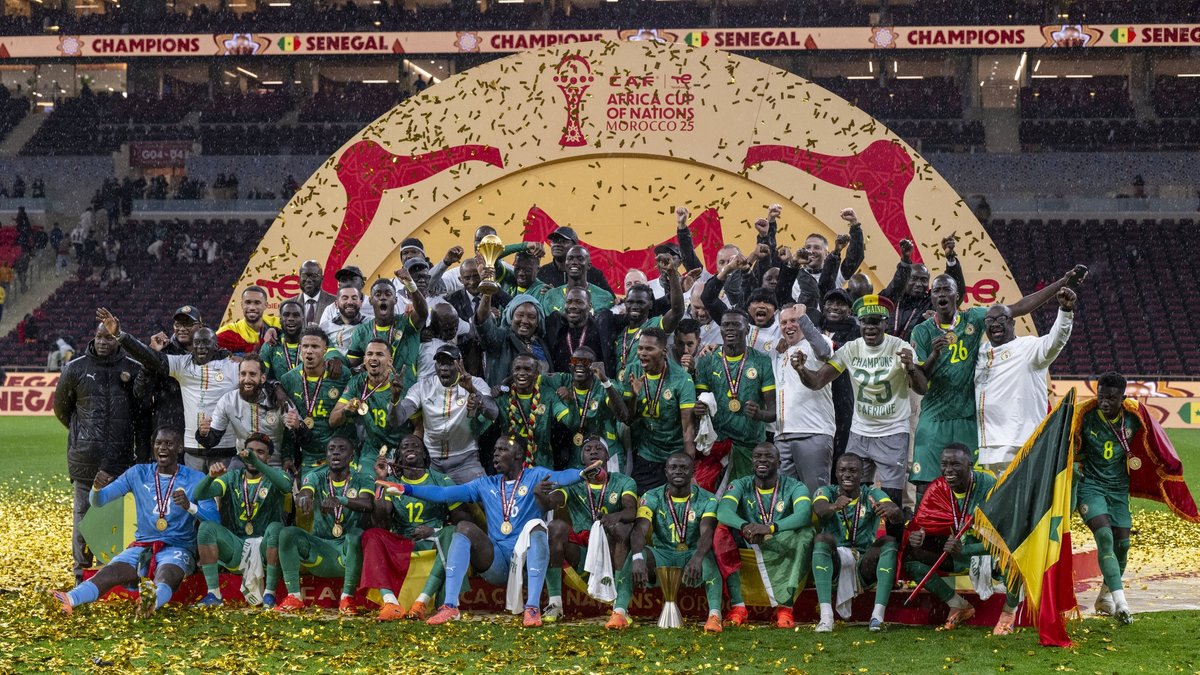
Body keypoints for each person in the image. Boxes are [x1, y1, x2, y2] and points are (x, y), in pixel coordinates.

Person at [909, 266, 1085, 501]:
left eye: (947, 289)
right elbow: (920, 384)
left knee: (976, 491)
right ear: (931, 296)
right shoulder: (931, 334)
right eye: (937, 290)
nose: (994, 323)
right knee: (932, 487)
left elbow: (1020, 308)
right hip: (948, 425)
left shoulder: (979, 321)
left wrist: (1061, 286)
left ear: (957, 295)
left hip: (975, 424)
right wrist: (931, 356)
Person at [388, 436, 604, 627]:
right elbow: (444, 493)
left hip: (527, 563)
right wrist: (406, 489)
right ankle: (450, 606)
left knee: (537, 527)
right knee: (463, 528)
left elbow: (562, 476)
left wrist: (581, 474)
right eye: (494, 451)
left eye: (502, 449)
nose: (495, 454)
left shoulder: (535, 476)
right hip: (497, 563)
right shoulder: (485, 484)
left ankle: (532, 608)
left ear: (518, 454)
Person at [52, 428, 219, 616]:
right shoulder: (138, 473)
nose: (162, 448)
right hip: (142, 547)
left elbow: (214, 519)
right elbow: (99, 501)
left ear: (180, 448)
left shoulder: (196, 479)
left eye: (169, 444)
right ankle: (70, 599)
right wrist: (96, 489)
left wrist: (190, 506)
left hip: (178, 547)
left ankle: (151, 602)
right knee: (110, 572)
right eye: (158, 443)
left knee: (167, 575)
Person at [794, 295, 926, 512]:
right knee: (852, 498)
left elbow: (922, 388)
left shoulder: (900, 346)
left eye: (876, 321)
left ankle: (893, 535)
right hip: (859, 432)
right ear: (860, 323)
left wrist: (911, 368)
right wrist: (801, 369)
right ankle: (856, 534)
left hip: (893, 432)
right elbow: (817, 381)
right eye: (865, 322)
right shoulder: (850, 349)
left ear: (885, 323)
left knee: (891, 502)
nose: (870, 327)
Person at [53, 320, 143, 584]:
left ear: (117, 339)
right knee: (83, 517)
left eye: (109, 338)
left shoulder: (132, 368)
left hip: (120, 459)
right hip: (86, 458)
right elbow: (61, 408)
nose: (103, 342)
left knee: (116, 517)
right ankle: (81, 573)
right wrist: (83, 433)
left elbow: (140, 414)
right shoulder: (75, 368)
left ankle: (111, 571)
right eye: (99, 337)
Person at [106, 308, 242, 473]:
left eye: (188, 324)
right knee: (176, 486)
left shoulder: (225, 361)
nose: (182, 328)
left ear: (201, 327)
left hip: (211, 441)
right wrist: (146, 355)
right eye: (178, 324)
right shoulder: (171, 356)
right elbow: (140, 391)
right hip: (170, 433)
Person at [904, 443, 1017, 633]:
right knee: (911, 558)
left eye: (955, 464)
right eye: (944, 464)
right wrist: (918, 536)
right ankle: (958, 605)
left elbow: (1006, 539)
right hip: (957, 554)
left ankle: (1009, 612)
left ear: (970, 465)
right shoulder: (938, 488)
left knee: (1014, 562)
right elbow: (923, 523)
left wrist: (966, 549)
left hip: (989, 555)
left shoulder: (989, 486)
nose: (948, 470)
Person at [362, 435, 470, 621]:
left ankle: (421, 602)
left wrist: (435, 531)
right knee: (371, 535)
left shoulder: (441, 480)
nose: (410, 449)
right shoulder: (392, 482)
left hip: (434, 541)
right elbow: (381, 517)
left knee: (453, 534)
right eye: (405, 447)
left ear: (425, 454)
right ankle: (390, 603)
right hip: (403, 541)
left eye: (416, 446)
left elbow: (462, 519)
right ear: (398, 457)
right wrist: (381, 479)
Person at [975, 287, 1076, 476]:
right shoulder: (980, 352)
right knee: (999, 494)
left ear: (1012, 322)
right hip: (989, 447)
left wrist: (1065, 312)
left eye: (1001, 319)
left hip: (1021, 442)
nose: (995, 324)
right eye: (989, 320)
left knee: (1024, 493)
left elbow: (1056, 341)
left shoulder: (1028, 347)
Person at [717, 443, 814, 628]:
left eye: (769, 456)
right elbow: (723, 511)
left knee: (806, 534)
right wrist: (745, 526)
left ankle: (785, 608)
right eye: (757, 456)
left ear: (779, 463)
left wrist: (770, 528)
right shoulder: (740, 484)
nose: (762, 460)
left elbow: (804, 515)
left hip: (781, 540)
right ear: (752, 461)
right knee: (721, 530)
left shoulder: (794, 486)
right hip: (749, 539)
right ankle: (738, 607)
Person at [542, 437, 638, 625]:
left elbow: (631, 511)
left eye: (598, 448)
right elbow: (552, 501)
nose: (593, 451)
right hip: (581, 551)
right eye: (587, 449)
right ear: (582, 458)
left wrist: (614, 517)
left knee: (622, 528)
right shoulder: (574, 483)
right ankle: (555, 604)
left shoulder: (624, 481)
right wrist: (541, 494)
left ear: (608, 455)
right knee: (554, 527)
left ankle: (620, 608)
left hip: (610, 547)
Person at [274, 437, 375, 614]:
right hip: (320, 551)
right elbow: (306, 492)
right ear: (326, 455)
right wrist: (303, 498)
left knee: (356, 535)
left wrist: (341, 500)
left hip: (346, 553)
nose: (335, 452)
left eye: (342, 449)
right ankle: (294, 596)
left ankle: (347, 599)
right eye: (331, 449)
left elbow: (368, 504)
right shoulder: (316, 476)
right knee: (287, 533)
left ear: (352, 457)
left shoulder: (363, 479)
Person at [192, 435, 291, 607]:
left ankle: (269, 594)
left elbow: (286, 487)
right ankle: (214, 594)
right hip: (237, 548)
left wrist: (256, 462)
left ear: (268, 457)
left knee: (276, 528)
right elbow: (199, 494)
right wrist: (210, 476)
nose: (254, 455)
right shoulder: (232, 477)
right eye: (250, 451)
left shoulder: (277, 475)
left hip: (265, 549)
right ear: (243, 453)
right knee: (206, 528)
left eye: (260, 452)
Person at [629, 452, 724, 633]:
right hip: (662, 554)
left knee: (708, 559)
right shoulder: (652, 496)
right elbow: (640, 529)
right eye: (673, 467)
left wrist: (697, 557)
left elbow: (707, 533)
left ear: (693, 471)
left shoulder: (708, 499)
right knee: (634, 557)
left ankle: (714, 616)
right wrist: (637, 557)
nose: (678, 471)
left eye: (683, 468)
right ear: (666, 471)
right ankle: (619, 611)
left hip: (691, 553)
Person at [811, 454, 902, 632]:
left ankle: (877, 617)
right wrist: (834, 506)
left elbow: (896, 513)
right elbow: (820, 509)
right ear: (836, 473)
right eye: (842, 470)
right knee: (821, 539)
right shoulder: (827, 491)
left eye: (853, 471)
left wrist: (892, 510)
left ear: (862, 474)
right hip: (835, 563)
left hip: (863, 565)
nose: (847, 474)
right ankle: (826, 617)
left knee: (889, 541)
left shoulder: (871, 493)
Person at [1075, 372, 1137, 625]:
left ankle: (1104, 596)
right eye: (1101, 396)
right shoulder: (1084, 417)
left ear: (1123, 398)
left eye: (1111, 398)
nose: (1105, 402)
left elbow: (1153, 443)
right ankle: (1122, 604)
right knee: (1104, 536)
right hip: (1091, 486)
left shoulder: (1134, 419)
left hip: (1119, 489)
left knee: (1123, 545)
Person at [692, 309, 776, 487]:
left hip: (749, 446)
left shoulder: (762, 362)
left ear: (747, 329)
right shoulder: (707, 360)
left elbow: (773, 413)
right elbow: (699, 402)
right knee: (707, 496)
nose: (730, 329)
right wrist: (698, 409)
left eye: (736, 325)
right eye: (725, 325)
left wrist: (760, 414)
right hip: (716, 445)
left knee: (744, 498)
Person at [390, 344, 497, 483]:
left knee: (482, 491)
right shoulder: (423, 386)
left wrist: (473, 391)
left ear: (460, 363)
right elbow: (396, 420)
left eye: (449, 363)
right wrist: (395, 399)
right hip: (431, 462)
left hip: (466, 461)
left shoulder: (475, 383)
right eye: (440, 363)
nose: (444, 368)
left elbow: (493, 413)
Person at [619, 327, 697, 493]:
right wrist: (633, 396)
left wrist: (690, 468)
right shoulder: (633, 371)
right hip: (646, 453)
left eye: (649, 349)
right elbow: (628, 419)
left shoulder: (682, 379)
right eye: (640, 348)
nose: (643, 353)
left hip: (674, 455)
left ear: (664, 351)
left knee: (675, 503)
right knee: (640, 502)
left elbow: (688, 428)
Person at [774, 303, 836, 492]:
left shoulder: (817, 341)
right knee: (784, 498)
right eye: (784, 322)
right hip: (782, 435)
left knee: (816, 494)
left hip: (813, 431)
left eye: (794, 320)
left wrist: (803, 318)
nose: (789, 326)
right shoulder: (779, 352)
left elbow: (825, 352)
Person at [279, 326, 351, 475]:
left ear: (325, 350)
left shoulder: (342, 375)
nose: (309, 351)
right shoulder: (289, 379)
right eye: (305, 346)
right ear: (300, 349)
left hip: (340, 453)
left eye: (315, 346)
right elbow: (288, 422)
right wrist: (287, 456)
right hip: (309, 456)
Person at [197, 353, 286, 465]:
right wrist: (203, 434)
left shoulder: (278, 399)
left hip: (274, 464)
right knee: (223, 476)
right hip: (243, 462)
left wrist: (298, 427)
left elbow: (296, 434)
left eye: (252, 374)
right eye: (243, 374)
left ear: (263, 378)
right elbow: (211, 441)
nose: (247, 379)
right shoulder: (228, 400)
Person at [331, 338, 405, 470]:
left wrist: (409, 450)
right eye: (369, 354)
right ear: (364, 360)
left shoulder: (400, 384)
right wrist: (345, 410)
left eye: (379, 354)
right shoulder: (356, 382)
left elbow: (418, 425)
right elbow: (332, 420)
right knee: (364, 480)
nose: (373, 358)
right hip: (371, 450)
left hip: (399, 449)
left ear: (390, 361)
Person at [550, 348, 628, 470]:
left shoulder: (604, 385)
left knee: (612, 483)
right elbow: (535, 377)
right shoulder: (563, 380)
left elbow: (623, 416)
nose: (580, 365)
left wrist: (605, 381)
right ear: (570, 365)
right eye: (575, 361)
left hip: (609, 452)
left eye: (585, 362)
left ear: (594, 366)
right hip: (579, 453)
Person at [347, 275, 426, 382]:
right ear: (370, 300)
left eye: (388, 294)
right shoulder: (361, 332)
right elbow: (351, 366)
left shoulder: (407, 322)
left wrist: (410, 284)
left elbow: (422, 313)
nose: (383, 297)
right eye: (377, 294)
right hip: (374, 390)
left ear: (395, 300)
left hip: (407, 389)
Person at [494, 354, 563, 468]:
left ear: (536, 374)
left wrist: (570, 400)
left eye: (527, 369)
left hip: (542, 464)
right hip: (512, 466)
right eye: (517, 369)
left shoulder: (548, 395)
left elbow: (570, 422)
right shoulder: (503, 397)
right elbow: (482, 421)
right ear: (512, 372)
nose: (521, 373)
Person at [475, 283, 552, 383]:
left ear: (538, 322)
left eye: (531, 317)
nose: (525, 321)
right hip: (504, 393)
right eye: (520, 315)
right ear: (511, 317)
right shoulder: (501, 338)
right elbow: (483, 322)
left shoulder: (542, 343)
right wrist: (487, 291)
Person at [543, 287, 607, 373]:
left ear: (589, 306)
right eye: (568, 302)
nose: (572, 306)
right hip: (561, 381)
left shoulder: (599, 332)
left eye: (579, 302)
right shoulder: (558, 331)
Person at [537, 225, 614, 293]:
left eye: (563, 241)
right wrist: (548, 297)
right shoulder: (542, 273)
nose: (557, 244)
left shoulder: (594, 274)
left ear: (575, 246)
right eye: (554, 241)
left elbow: (609, 300)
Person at [540, 246, 615, 315]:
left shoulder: (605, 297)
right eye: (570, 258)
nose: (574, 262)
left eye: (580, 259)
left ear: (589, 265)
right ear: (565, 264)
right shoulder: (550, 296)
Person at [216, 286, 280, 353]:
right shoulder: (228, 332)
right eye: (248, 302)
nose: (252, 307)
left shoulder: (278, 324)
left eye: (257, 303)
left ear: (266, 305)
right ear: (242, 304)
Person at [259, 299, 305, 380]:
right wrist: (274, 384)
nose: (291, 318)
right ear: (280, 319)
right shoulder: (270, 345)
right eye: (286, 315)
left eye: (296, 315)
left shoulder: (313, 343)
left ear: (303, 319)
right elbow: (261, 377)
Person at [286, 260, 337, 327]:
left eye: (314, 276)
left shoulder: (335, 303)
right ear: (299, 279)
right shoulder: (287, 305)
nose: (308, 280)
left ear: (322, 278)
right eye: (304, 276)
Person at [321, 285, 368, 355]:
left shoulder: (370, 323)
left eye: (354, 298)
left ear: (361, 303)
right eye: (345, 298)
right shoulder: (325, 327)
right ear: (336, 304)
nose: (350, 302)